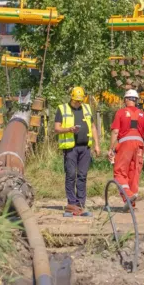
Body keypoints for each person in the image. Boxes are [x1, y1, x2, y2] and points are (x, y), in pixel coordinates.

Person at [54, 86, 100, 217]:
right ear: (71, 98)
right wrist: (69, 129)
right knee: (70, 175)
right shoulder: (62, 109)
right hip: (70, 148)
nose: (78, 103)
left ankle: (80, 205)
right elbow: (57, 128)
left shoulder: (87, 108)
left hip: (85, 148)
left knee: (82, 176)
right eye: (76, 101)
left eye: (80, 100)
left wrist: (97, 145)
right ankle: (71, 204)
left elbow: (93, 127)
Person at [109, 89, 144, 208]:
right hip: (139, 147)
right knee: (134, 175)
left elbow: (115, 132)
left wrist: (111, 149)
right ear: (136, 100)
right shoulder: (143, 114)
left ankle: (128, 195)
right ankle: (131, 205)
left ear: (126, 100)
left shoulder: (120, 113)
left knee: (119, 173)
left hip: (125, 145)